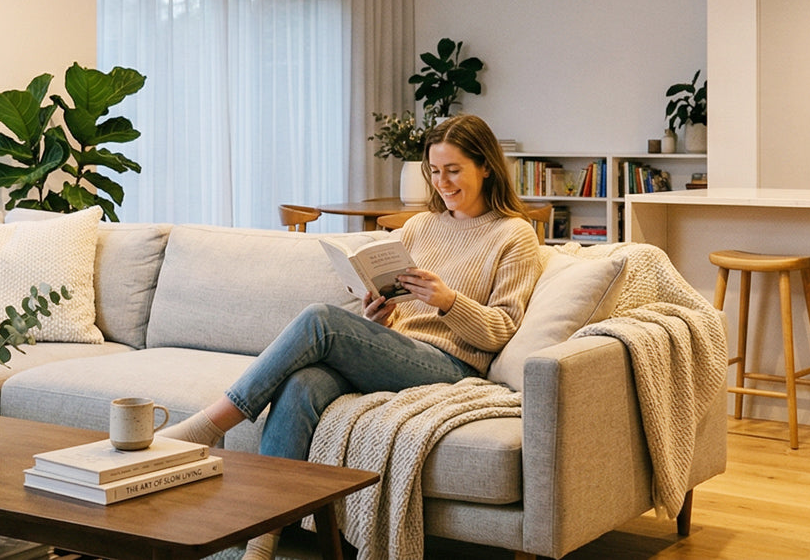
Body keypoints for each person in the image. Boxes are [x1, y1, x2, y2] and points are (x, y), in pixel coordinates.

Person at [159, 112, 542, 560]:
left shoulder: (513, 235)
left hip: (451, 365)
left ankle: (207, 425)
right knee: (301, 386)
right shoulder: (421, 226)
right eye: (435, 171)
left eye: (454, 170)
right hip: (399, 352)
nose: (443, 182)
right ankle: (261, 545)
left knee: (320, 318)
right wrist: (376, 316)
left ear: (486, 167)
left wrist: (448, 301)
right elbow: (400, 317)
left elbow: (501, 331)